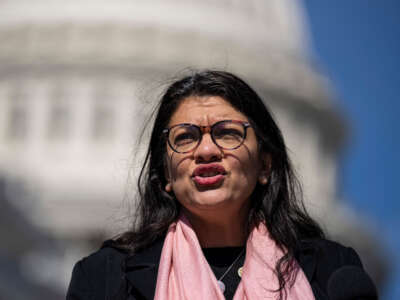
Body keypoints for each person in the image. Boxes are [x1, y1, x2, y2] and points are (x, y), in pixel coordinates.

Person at [67, 70, 377, 300]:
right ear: (165, 177)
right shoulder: (105, 278)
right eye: (185, 137)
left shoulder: (329, 272)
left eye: (227, 133)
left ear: (265, 164)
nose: (206, 151)